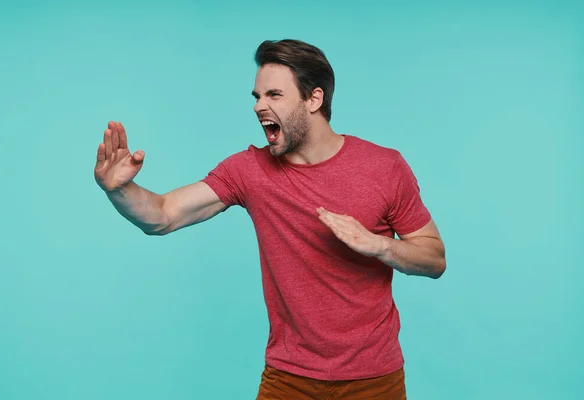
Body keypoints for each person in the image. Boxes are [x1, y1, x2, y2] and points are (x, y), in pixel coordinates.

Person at [94, 39, 446, 399]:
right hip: (288, 379)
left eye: (274, 95)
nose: (259, 106)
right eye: (256, 96)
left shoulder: (384, 167)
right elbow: (162, 216)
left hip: (374, 379)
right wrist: (119, 189)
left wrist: (380, 246)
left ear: (314, 99)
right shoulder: (249, 170)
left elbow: (434, 259)